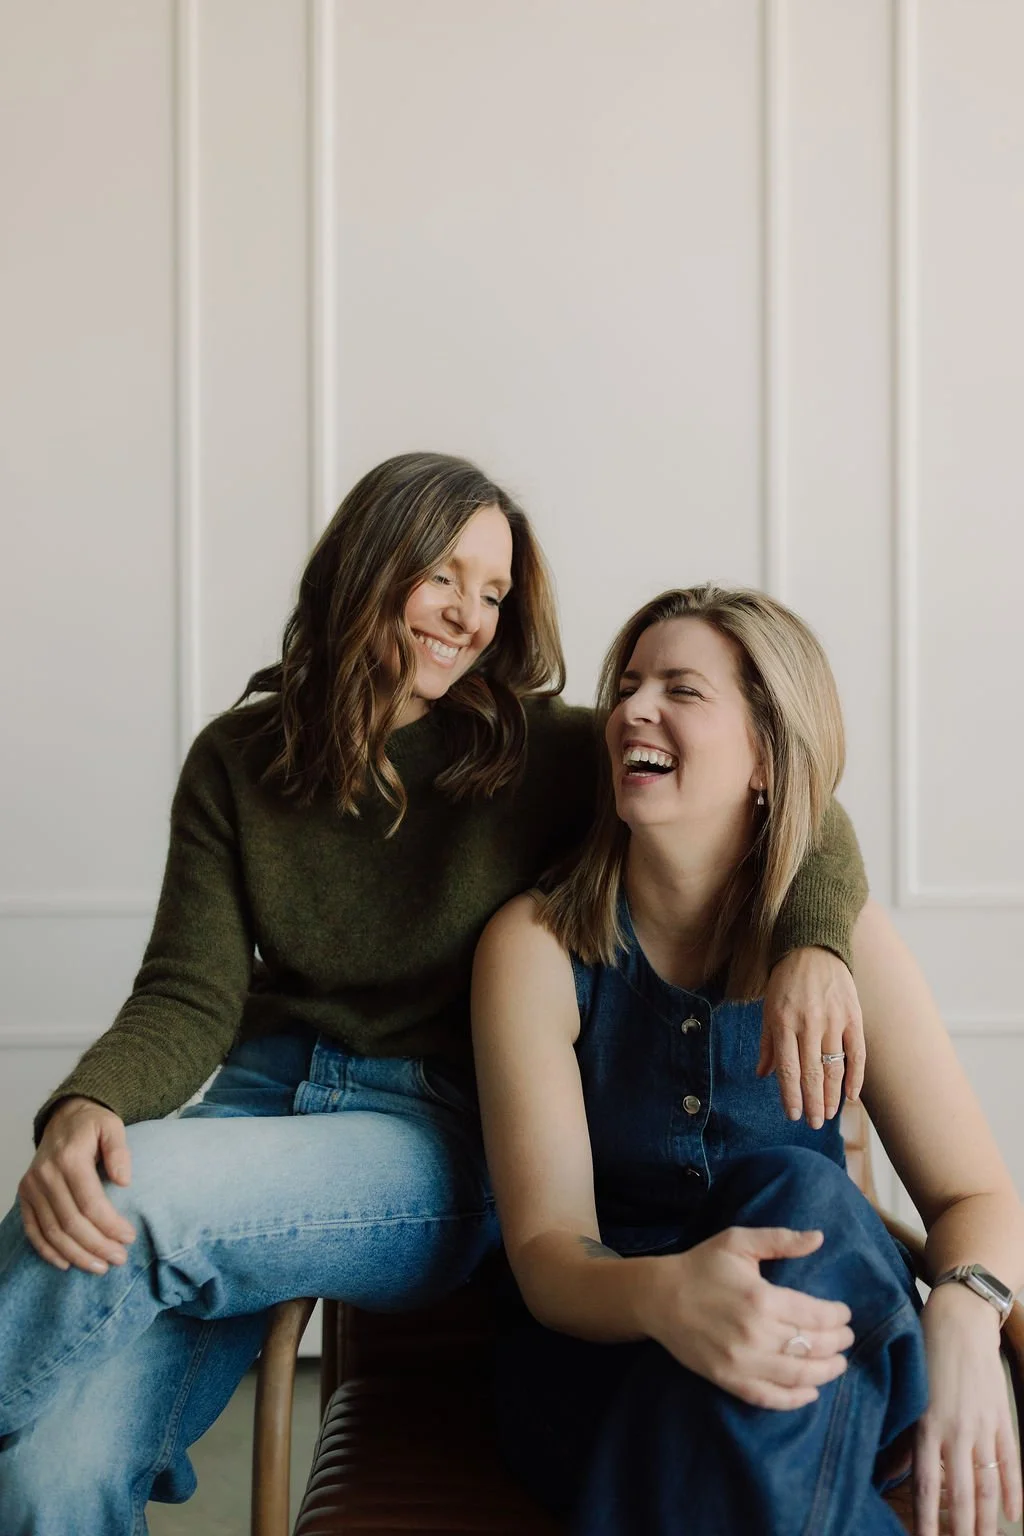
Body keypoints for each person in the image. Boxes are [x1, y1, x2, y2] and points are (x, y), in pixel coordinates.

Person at [1, 460, 867, 1536]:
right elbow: (187, 995)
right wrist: (89, 1101)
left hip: (429, 1135)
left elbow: (783, 781)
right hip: (261, 1115)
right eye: (443, 576)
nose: (469, 615)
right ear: (368, 565)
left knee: (137, 1195)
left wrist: (816, 942)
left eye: (494, 593)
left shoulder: (539, 749)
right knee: (49, 1473)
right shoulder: (234, 763)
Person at [471, 583, 1024, 1536]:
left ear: (767, 757)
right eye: (630, 684)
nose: (633, 709)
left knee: (802, 1196)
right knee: (739, 1424)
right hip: (616, 1352)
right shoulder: (535, 945)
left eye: (681, 690)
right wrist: (670, 1295)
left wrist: (970, 1315)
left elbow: (977, 1197)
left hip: (826, 1335)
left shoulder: (842, 943)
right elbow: (548, 1255)